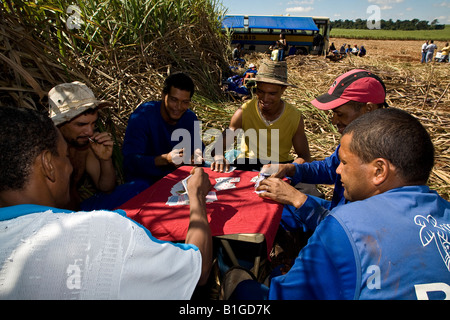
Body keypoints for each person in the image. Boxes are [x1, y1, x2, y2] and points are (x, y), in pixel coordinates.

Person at [225, 108, 450, 300]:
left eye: (343, 163)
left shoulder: (346, 226)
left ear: (379, 171)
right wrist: (292, 169)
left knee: (238, 281)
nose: (338, 171)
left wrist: (240, 281)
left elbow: (281, 296)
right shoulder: (444, 212)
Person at [0, 106, 213, 299]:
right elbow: (199, 269)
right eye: (64, 157)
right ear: (48, 164)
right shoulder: (103, 231)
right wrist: (196, 196)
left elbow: (106, 187)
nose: (70, 167)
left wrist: (105, 160)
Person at [260, 69, 389, 231]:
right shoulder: (355, 138)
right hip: (337, 209)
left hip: (346, 227)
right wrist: (290, 169)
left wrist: (298, 199)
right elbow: (329, 168)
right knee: (273, 207)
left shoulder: (383, 159)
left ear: (368, 110)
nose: (334, 121)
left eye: (340, 114)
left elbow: (349, 234)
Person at [49, 82, 147, 211]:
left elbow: (106, 188)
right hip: (55, 219)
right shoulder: (44, 152)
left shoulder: (84, 146)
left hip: (79, 209)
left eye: (93, 123)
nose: (90, 131)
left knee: (140, 187)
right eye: (81, 125)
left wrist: (105, 159)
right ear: (60, 123)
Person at [210, 59, 312, 173]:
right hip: (248, 163)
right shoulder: (244, 111)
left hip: (279, 164)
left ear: (283, 89)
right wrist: (219, 156)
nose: (265, 98)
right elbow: (217, 148)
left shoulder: (294, 117)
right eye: (260, 91)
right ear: (256, 86)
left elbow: (305, 156)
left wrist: (289, 168)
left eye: (272, 94)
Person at [122, 72, 204, 186]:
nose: (179, 107)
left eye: (185, 102)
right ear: (163, 95)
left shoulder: (190, 118)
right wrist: (165, 159)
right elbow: (130, 162)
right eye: (174, 100)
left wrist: (197, 156)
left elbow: (199, 148)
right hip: (146, 180)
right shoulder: (142, 117)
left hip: (178, 177)